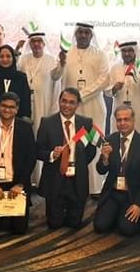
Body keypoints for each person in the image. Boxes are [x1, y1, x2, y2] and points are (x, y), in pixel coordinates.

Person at [58, 22, 110, 194]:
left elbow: (104, 79)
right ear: (75, 34)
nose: (83, 35)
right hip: (72, 108)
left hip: (94, 106)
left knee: (94, 142)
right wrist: (60, 64)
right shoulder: (67, 54)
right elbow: (56, 76)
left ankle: (95, 187)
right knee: (74, 143)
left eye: (86, 32)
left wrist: (81, 95)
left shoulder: (100, 54)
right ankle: (75, 185)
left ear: (91, 35)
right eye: (80, 32)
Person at [36, 88, 97, 229]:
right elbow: (38, 151)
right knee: (54, 224)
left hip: (77, 179)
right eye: (64, 101)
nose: (67, 105)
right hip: (55, 178)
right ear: (59, 101)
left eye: (71, 102)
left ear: (77, 104)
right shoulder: (47, 123)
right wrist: (52, 155)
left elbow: (91, 151)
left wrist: (79, 164)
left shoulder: (86, 123)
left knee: (74, 224)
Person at [93, 106, 140, 236]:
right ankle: (116, 215)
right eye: (119, 120)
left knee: (127, 230)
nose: (122, 123)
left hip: (132, 194)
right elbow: (101, 170)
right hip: (113, 193)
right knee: (100, 226)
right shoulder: (109, 140)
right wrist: (104, 159)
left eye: (126, 119)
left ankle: (126, 217)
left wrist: (138, 204)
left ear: (133, 120)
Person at [0, 92, 36, 234]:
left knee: (19, 230)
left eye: (11, 107)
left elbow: (31, 158)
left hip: (16, 184)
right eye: (4, 106)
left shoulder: (25, 128)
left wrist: (20, 184)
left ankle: (10, 217)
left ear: (17, 109)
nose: (7, 109)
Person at [108, 41, 140, 135]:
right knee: (118, 140)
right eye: (124, 51)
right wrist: (115, 88)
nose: (127, 53)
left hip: (138, 113)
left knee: (137, 140)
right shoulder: (115, 68)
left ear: (135, 51)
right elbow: (107, 91)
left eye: (130, 50)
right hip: (119, 113)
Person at [0, 45, 32, 121]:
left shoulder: (21, 77)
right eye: (1, 56)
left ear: (13, 58)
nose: (5, 59)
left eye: (8, 56)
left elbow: (25, 100)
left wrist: (25, 118)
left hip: (17, 120)